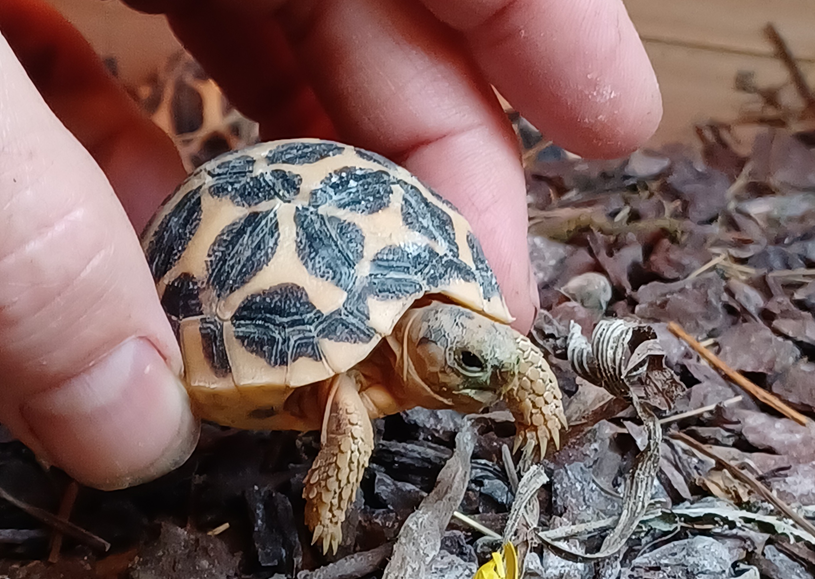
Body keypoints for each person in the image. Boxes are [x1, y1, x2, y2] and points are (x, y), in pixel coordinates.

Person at [0, 0, 661, 490]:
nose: (483, 375)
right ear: (416, 349)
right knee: (346, 412)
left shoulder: (456, 335)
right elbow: (348, 401)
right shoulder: (355, 383)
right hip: (225, 266)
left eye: (473, 360)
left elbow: (507, 353)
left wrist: (532, 398)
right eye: (461, 362)